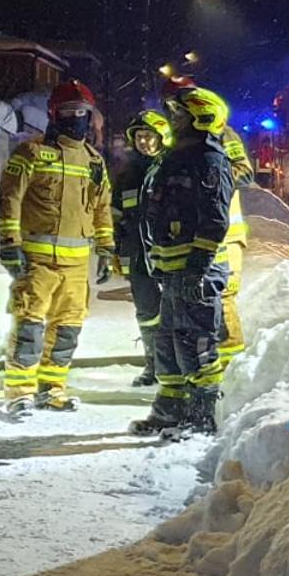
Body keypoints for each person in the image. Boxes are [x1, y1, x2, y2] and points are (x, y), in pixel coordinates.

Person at [0, 80, 113, 416]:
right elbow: (9, 199)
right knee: (30, 327)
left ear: (90, 117)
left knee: (67, 332)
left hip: (77, 267)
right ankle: (19, 393)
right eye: (68, 112)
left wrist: (105, 249)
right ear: (54, 115)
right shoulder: (31, 153)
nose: (75, 118)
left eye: (82, 112)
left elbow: (102, 208)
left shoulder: (94, 162)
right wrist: (9, 244)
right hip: (37, 262)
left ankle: (52, 389)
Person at [132, 87, 236, 436]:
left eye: (179, 115)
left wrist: (197, 267)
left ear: (201, 117)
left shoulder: (209, 160)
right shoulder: (174, 158)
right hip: (173, 270)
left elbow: (215, 220)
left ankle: (201, 416)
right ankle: (170, 409)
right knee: (168, 339)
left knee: (197, 341)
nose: (173, 121)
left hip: (197, 271)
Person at [163, 77, 251, 377]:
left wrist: (211, 183)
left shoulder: (224, 136)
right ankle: (209, 367)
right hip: (193, 234)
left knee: (221, 297)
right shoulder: (179, 143)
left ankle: (233, 369)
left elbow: (245, 173)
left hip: (224, 234)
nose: (175, 117)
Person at [111, 110, 171, 387]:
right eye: (140, 137)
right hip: (137, 254)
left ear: (162, 138)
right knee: (147, 313)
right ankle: (153, 365)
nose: (144, 142)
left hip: (169, 253)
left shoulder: (173, 169)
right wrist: (113, 248)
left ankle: (174, 366)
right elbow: (115, 215)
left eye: (150, 137)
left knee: (175, 310)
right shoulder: (127, 176)